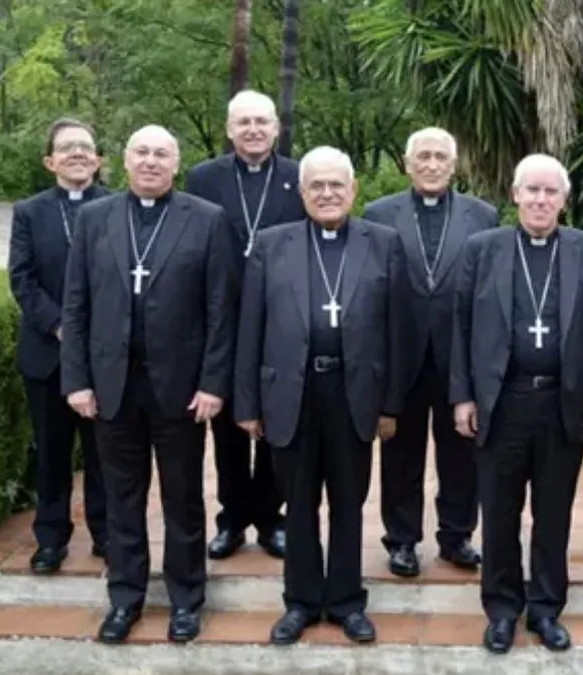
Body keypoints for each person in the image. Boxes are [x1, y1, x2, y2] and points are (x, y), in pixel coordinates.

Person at [60, 124, 238, 644]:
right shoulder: (95, 218)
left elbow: (221, 311)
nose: (151, 161)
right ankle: (125, 598)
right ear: (124, 160)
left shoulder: (207, 219)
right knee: (121, 497)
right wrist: (77, 380)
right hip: (112, 385)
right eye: (142, 152)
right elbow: (76, 305)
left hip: (180, 389)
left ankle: (186, 599)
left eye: (162, 153)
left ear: (176, 164)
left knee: (183, 498)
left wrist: (213, 384)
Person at [234, 146, 406, 645]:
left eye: (337, 185)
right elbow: (250, 328)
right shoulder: (272, 244)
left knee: (349, 503)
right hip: (292, 392)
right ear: (302, 191)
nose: (327, 193)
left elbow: (400, 330)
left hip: (354, 393)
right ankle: (302, 601)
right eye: (317, 185)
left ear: (353, 189)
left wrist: (391, 404)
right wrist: (247, 403)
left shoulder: (383, 243)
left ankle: (348, 601)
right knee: (299, 501)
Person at [450, 153, 583, 654]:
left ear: (564, 199)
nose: (541, 200)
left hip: (562, 402)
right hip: (502, 402)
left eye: (551, 192)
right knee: (500, 512)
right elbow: (460, 325)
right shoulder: (483, 248)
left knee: (553, 511)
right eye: (533, 190)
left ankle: (546, 607)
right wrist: (462, 395)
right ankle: (502, 610)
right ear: (515, 195)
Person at [363, 127, 497, 577]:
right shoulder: (379, 214)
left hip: (458, 353)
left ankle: (457, 535)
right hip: (402, 353)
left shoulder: (483, 216)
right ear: (407, 164)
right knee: (401, 452)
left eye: (441, 156)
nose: (432, 164)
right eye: (423, 156)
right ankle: (402, 540)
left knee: (461, 450)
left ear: (454, 166)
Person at [185, 89, 305, 561]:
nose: (253, 130)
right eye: (243, 122)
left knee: (277, 423)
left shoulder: (298, 176)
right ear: (229, 129)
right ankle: (232, 519)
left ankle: (271, 519)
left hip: (281, 322)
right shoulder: (203, 178)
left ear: (276, 127)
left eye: (261, 121)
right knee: (229, 431)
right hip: (223, 322)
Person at [8, 117, 109, 575]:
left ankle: (106, 533)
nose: (77, 154)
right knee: (51, 452)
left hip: (104, 355)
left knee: (104, 452)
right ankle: (50, 538)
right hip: (47, 353)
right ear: (50, 161)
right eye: (67, 147)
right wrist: (60, 325)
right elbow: (22, 278)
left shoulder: (117, 207)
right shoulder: (29, 211)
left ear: (98, 159)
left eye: (85, 146)